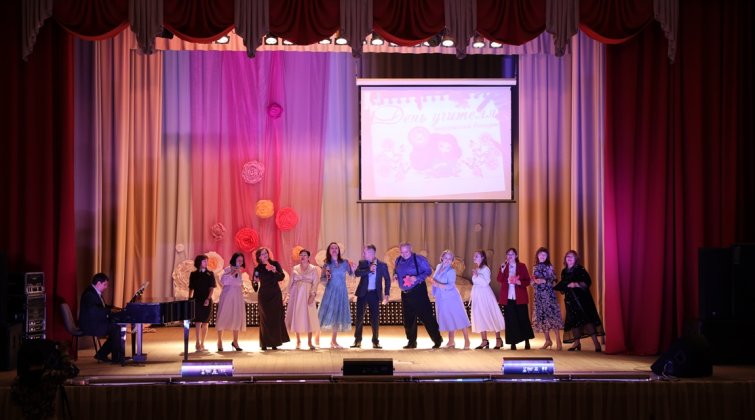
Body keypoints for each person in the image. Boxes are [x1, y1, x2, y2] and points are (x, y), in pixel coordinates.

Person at [394, 242, 443, 349]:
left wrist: (416, 278)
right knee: (408, 319)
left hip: (418, 291)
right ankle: (412, 342)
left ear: (411, 249)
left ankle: (437, 339)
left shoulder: (419, 259)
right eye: (402, 252)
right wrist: (395, 275)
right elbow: (396, 270)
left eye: (406, 252)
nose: (404, 254)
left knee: (426, 316)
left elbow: (428, 271)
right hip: (405, 293)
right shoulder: (398, 260)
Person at [554, 250, 605, 351]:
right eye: (567, 256)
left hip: (582, 299)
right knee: (574, 321)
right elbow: (564, 284)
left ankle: (596, 343)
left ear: (575, 259)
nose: (569, 258)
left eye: (571, 257)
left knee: (587, 320)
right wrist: (557, 286)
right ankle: (577, 343)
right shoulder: (564, 271)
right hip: (570, 300)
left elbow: (588, 281)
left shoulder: (580, 269)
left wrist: (576, 284)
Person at [351, 244, 391, 349]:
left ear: (371, 253)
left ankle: (375, 341)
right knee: (359, 317)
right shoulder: (362, 263)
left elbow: (387, 279)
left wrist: (387, 294)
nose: (363, 254)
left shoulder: (382, 265)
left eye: (365, 252)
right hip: (363, 293)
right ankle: (357, 340)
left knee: (375, 318)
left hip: (374, 294)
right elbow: (357, 273)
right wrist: (369, 269)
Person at [429, 250, 471, 349]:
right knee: (448, 318)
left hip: (451, 297)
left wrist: (438, 284)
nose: (447, 260)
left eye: (449, 259)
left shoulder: (451, 271)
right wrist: (433, 285)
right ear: (442, 258)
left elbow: (451, 285)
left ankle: (467, 340)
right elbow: (435, 279)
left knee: (458, 317)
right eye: (446, 258)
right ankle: (451, 341)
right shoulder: (439, 266)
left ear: (452, 261)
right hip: (441, 298)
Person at [79, 273, 123, 364]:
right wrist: (110, 311)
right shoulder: (89, 294)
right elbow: (94, 310)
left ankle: (103, 354)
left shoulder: (93, 291)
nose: (106, 287)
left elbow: (101, 306)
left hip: (95, 322)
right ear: (98, 283)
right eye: (105, 285)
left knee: (116, 327)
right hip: (90, 325)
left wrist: (114, 308)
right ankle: (115, 357)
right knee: (116, 329)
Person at [318, 242, 355, 349]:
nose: (334, 249)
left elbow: (352, 274)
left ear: (339, 250)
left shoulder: (344, 263)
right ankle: (317, 336)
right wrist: (326, 278)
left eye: (336, 248)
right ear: (329, 251)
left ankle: (333, 341)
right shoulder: (326, 264)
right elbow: (322, 279)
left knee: (337, 315)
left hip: (341, 291)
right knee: (324, 314)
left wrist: (352, 267)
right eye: (332, 248)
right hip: (330, 291)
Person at [497, 248, 535, 350]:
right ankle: (513, 342)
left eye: (512, 254)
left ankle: (527, 341)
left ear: (516, 256)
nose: (510, 256)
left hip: (520, 297)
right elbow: (499, 279)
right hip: (508, 297)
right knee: (510, 320)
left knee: (523, 318)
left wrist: (519, 282)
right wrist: (502, 270)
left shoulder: (522, 266)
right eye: (508, 254)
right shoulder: (504, 266)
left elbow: (527, 281)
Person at [254, 247, 290, 350]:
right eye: (262, 254)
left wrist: (274, 270)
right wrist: (255, 281)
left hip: (275, 294)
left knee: (275, 318)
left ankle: (275, 342)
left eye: (266, 253)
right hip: (264, 295)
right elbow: (255, 286)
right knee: (264, 319)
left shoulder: (275, 264)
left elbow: (281, 277)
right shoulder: (257, 269)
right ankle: (264, 343)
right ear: (259, 257)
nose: (265, 255)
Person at [285, 249, 320, 350]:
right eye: (301, 255)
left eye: (304, 255)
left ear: (308, 257)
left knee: (309, 317)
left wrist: (312, 295)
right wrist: (287, 295)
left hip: (308, 294)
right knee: (297, 316)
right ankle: (298, 340)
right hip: (296, 294)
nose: (302, 257)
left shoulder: (313, 269)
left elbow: (315, 283)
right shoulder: (295, 268)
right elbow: (291, 282)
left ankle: (309, 342)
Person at [469, 250, 505, 349]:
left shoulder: (485, 269)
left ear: (482, 257)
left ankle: (498, 339)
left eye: (476, 256)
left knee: (491, 314)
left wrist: (477, 275)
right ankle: (484, 340)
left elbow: (486, 282)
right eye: (474, 255)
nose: (474, 257)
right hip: (477, 294)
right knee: (480, 315)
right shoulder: (477, 269)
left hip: (485, 294)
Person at [531, 247, 564, 350]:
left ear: (547, 257)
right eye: (540, 254)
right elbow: (532, 281)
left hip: (549, 295)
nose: (542, 256)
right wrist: (534, 282)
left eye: (544, 255)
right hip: (538, 295)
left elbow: (554, 281)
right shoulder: (535, 267)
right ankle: (548, 340)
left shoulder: (549, 266)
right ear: (537, 256)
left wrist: (544, 281)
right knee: (542, 318)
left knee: (553, 317)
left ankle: (558, 340)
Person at [215, 252, 246, 352]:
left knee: (236, 317)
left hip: (237, 296)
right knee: (223, 316)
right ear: (234, 260)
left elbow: (239, 283)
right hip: (227, 295)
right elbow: (223, 281)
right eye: (239, 260)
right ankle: (219, 341)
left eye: (241, 261)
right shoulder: (227, 269)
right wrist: (232, 273)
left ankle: (235, 341)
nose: (240, 262)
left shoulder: (240, 271)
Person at [188, 254, 216, 352]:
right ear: (199, 262)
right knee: (197, 321)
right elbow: (191, 288)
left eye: (206, 261)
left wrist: (208, 298)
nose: (206, 263)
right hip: (196, 299)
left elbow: (212, 288)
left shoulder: (210, 274)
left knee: (205, 322)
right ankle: (197, 342)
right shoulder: (193, 274)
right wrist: (189, 298)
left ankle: (203, 343)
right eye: (204, 261)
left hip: (206, 299)